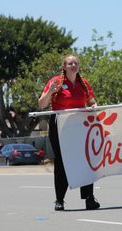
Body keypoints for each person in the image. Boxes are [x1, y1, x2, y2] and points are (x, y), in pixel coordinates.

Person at [38, 54, 100, 211]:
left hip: (80, 125)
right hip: (60, 125)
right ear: (64, 67)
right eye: (70, 63)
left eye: (75, 63)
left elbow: (91, 101)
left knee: (85, 159)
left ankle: (89, 198)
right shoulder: (56, 82)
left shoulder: (83, 83)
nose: (73, 65)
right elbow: (41, 104)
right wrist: (50, 92)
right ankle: (59, 199)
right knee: (62, 161)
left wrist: (94, 106)